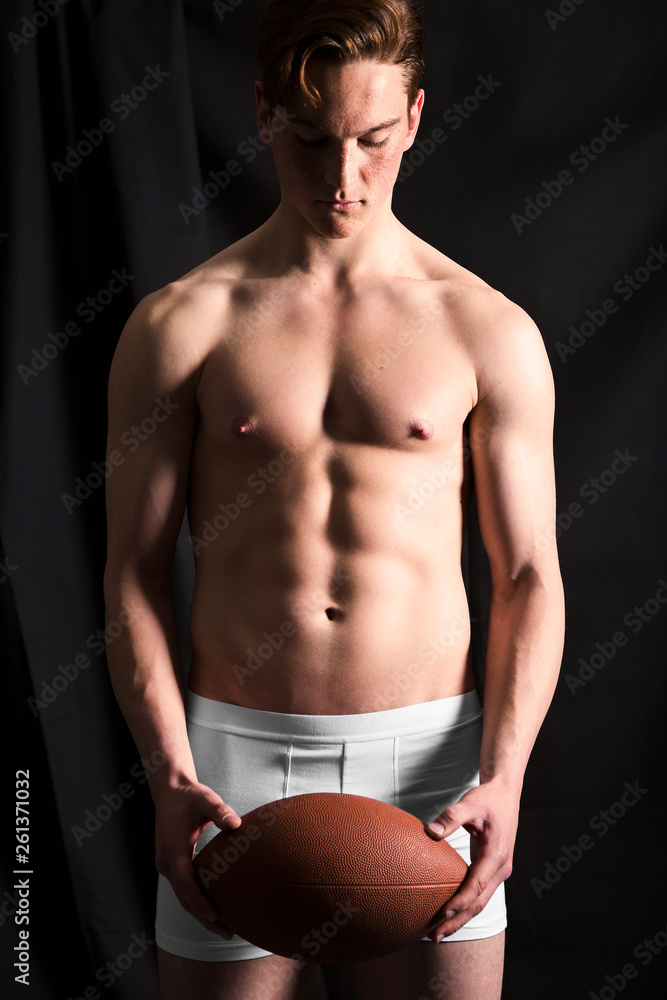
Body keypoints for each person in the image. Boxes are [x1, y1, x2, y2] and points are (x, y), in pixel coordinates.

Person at [103, 1, 565, 998]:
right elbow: (132, 574)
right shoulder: (181, 324)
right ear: (263, 113)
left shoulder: (486, 329)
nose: (342, 177)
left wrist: (505, 774)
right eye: (309, 140)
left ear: (415, 118)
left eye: (372, 139)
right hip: (229, 764)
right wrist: (169, 772)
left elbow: (528, 574)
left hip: (435, 768)